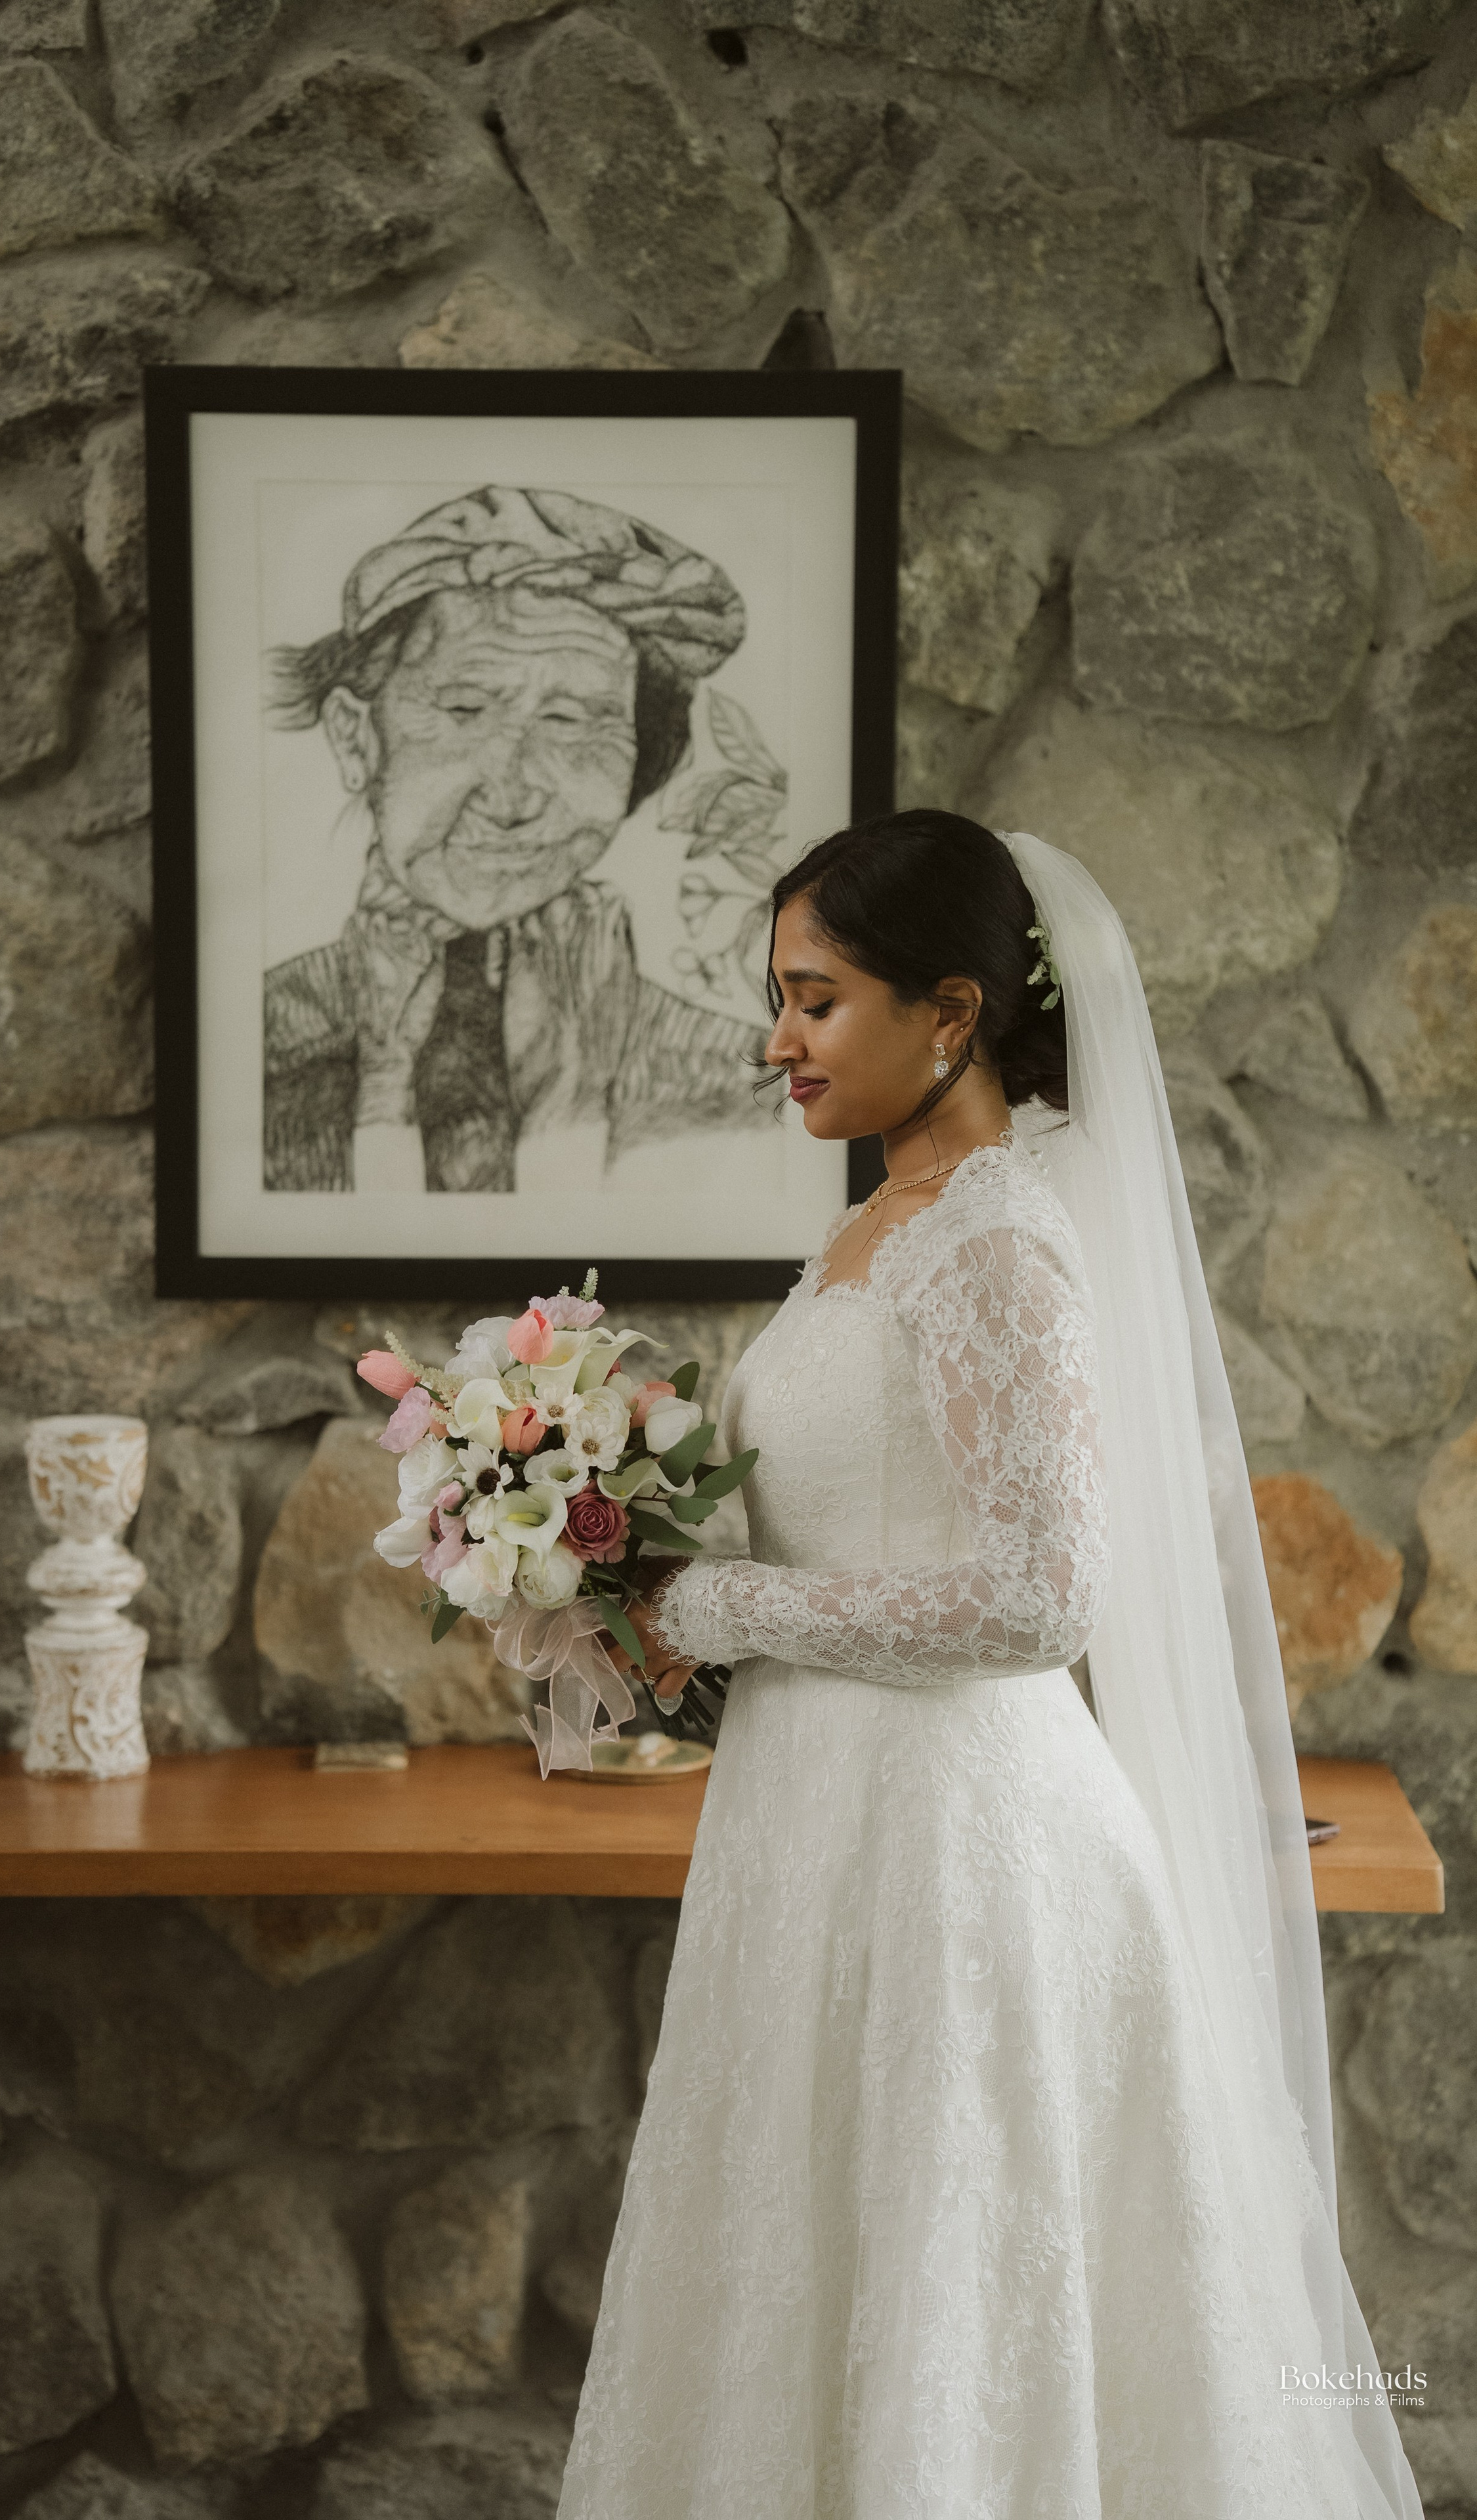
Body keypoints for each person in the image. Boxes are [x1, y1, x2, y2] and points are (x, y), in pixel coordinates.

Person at [559, 811, 1426, 2519]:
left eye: (816, 999)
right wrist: (610, 1576)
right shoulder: (889, 1221)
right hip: (823, 1836)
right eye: (776, 998)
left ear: (949, 1012)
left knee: (949, 2289)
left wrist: (725, 1611)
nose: (775, 1039)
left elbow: (1042, 1597)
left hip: (959, 1853)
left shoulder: (1001, 1239)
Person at [263, 484, 768, 1195]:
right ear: (355, 737)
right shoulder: (255, 1045)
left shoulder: (742, 1077)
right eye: (464, 709)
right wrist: (383, 1081)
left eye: (570, 723)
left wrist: (573, 1099)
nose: (510, 795)